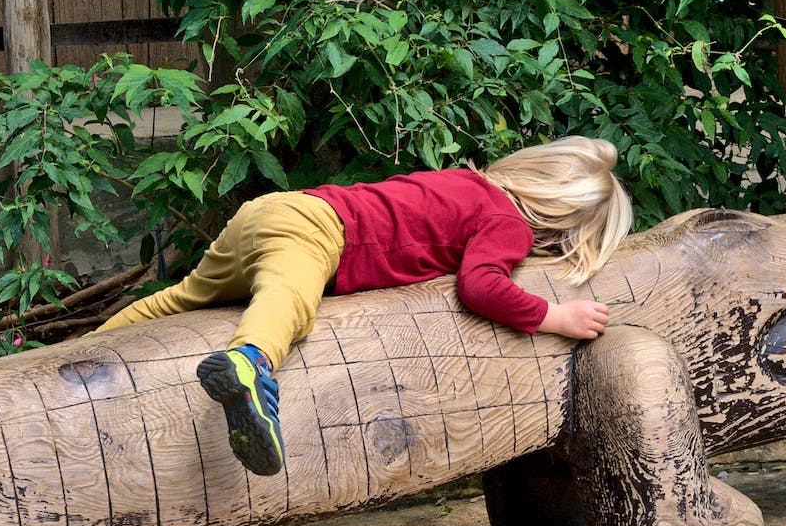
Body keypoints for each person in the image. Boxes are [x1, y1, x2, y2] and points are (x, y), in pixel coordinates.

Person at [97, 136, 633, 477]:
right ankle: (251, 362)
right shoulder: (507, 224)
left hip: (272, 212)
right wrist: (554, 316)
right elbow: (480, 286)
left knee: (179, 299)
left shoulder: (469, 183)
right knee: (289, 301)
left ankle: (84, 349)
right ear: (562, 228)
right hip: (317, 230)